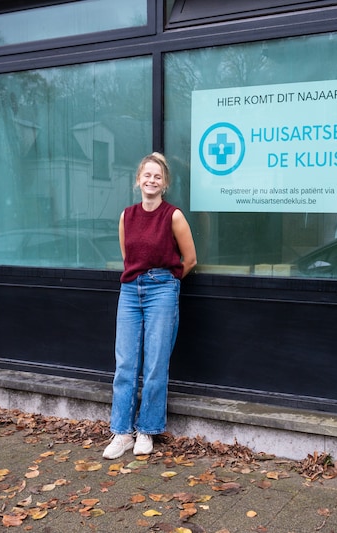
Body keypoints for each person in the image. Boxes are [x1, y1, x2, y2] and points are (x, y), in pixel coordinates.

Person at [103, 152, 197, 460]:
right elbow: (128, 257)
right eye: (147, 175)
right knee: (125, 364)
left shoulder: (173, 216)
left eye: (158, 176)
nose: (152, 180)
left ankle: (147, 430)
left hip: (162, 289)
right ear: (138, 180)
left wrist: (168, 284)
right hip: (130, 290)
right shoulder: (127, 216)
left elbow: (190, 260)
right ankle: (121, 432)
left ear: (165, 183)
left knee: (155, 364)